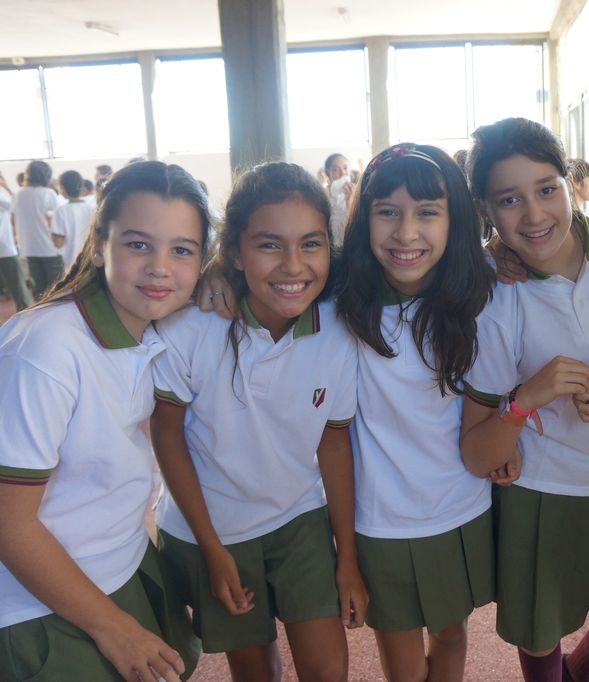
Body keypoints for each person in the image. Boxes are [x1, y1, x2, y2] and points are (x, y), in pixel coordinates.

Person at [460, 117, 589, 682]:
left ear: (571, 183)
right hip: (540, 489)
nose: (534, 214)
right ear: (486, 211)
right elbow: (478, 447)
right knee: (537, 629)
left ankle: (583, 668)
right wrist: (526, 398)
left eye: (546, 189)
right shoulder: (491, 291)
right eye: (509, 200)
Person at [150, 162, 363, 682]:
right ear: (235, 253)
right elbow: (166, 434)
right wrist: (211, 547)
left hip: (299, 519)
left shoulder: (339, 329)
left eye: (311, 244)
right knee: (254, 669)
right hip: (212, 527)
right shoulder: (191, 328)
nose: (293, 265)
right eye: (269, 245)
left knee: (328, 670)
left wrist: (347, 558)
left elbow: (334, 443)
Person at [0, 161, 209, 682]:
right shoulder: (46, 350)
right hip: (40, 601)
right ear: (98, 246)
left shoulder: (151, 324)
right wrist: (114, 627)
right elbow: (8, 523)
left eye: (182, 250)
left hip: (122, 559)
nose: (160, 267)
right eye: (138, 245)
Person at [333, 143, 500, 682]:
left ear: (456, 220)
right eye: (388, 212)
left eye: (427, 212)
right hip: (379, 518)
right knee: (401, 654)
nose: (406, 233)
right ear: (364, 218)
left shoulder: (482, 292)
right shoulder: (340, 301)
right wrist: (220, 272)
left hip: (460, 505)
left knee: (451, 634)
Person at [10, 160, 62, 299]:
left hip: (28, 249)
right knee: (56, 290)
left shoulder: (18, 194)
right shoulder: (48, 193)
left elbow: (13, 221)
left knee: (38, 291)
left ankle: (40, 312)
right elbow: (58, 219)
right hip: (50, 249)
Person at [52, 170, 96, 269]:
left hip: (70, 260)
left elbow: (58, 243)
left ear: (62, 188)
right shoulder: (92, 208)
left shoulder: (61, 211)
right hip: (90, 257)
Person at [0, 171, 31, 310]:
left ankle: (23, 309)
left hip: (5, 248)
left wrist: (6, 187)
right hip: (5, 248)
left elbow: (17, 206)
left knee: (16, 283)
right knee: (15, 284)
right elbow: (17, 205)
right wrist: (6, 187)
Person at [324, 153, 354, 247]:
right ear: (328, 174)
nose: (343, 173)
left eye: (345, 168)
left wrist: (349, 202)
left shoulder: (358, 195)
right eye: (336, 169)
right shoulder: (323, 198)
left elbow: (357, 227)